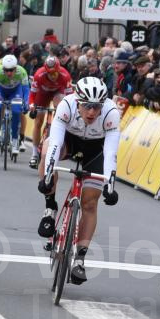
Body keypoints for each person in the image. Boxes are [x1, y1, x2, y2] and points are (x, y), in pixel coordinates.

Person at [38, 77, 121, 285]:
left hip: (96, 150)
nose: (92, 112)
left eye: (96, 107)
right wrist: (48, 175)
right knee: (47, 148)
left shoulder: (111, 113)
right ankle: (50, 208)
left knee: (90, 203)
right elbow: (56, 142)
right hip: (70, 141)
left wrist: (110, 184)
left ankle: (80, 259)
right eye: (87, 106)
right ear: (78, 103)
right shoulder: (66, 105)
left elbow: (111, 152)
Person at [29, 55, 72, 168]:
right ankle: (34, 154)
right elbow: (32, 94)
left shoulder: (65, 75)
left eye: (55, 73)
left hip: (58, 93)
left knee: (61, 103)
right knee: (38, 122)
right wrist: (32, 105)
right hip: (42, 94)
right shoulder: (39, 75)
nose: (53, 76)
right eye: (50, 73)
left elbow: (70, 97)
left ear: (58, 70)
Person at [0, 55, 29, 148]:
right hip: (0, 91)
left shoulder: (22, 72)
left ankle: (14, 140)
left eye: (11, 70)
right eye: (6, 70)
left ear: (16, 68)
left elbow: (26, 89)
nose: (9, 73)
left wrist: (26, 102)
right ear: (3, 68)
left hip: (15, 92)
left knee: (17, 111)